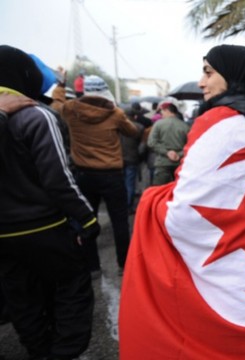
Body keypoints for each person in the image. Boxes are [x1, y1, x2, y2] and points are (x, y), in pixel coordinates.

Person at [119, 44, 245, 359]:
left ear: (232, 75)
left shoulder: (216, 122)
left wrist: (151, 199)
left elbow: (182, 214)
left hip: (238, 292)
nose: (202, 83)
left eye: (208, 72)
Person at [0, 45, 98, 360]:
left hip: (4, 235)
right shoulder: (36, 115)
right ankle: (64, 353)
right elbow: (58, 179)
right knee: (72, 288)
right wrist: (88, 218)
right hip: (46, 227)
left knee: (22, 299)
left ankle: (39, 351)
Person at [58, 74, 139, 277]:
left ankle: (93, 267)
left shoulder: (70, 110)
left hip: (84, 175)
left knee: (87, 220)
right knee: (120, 222)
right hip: (112, 176)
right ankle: (124, 265)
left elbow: (56, 103)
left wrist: (60, 84)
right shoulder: (115, 113)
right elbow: (132, 132)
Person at [146, 97, 190, 185]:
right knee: (177, 191)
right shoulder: (185, 126)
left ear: (167, 110)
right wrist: (179, 154)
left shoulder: (158, 124)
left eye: (162, 111)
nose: (161, 113)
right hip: (179, 164)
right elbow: (190, 145)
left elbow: (151, 142)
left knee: (160, 192)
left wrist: (167, 152)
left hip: (162, 163)